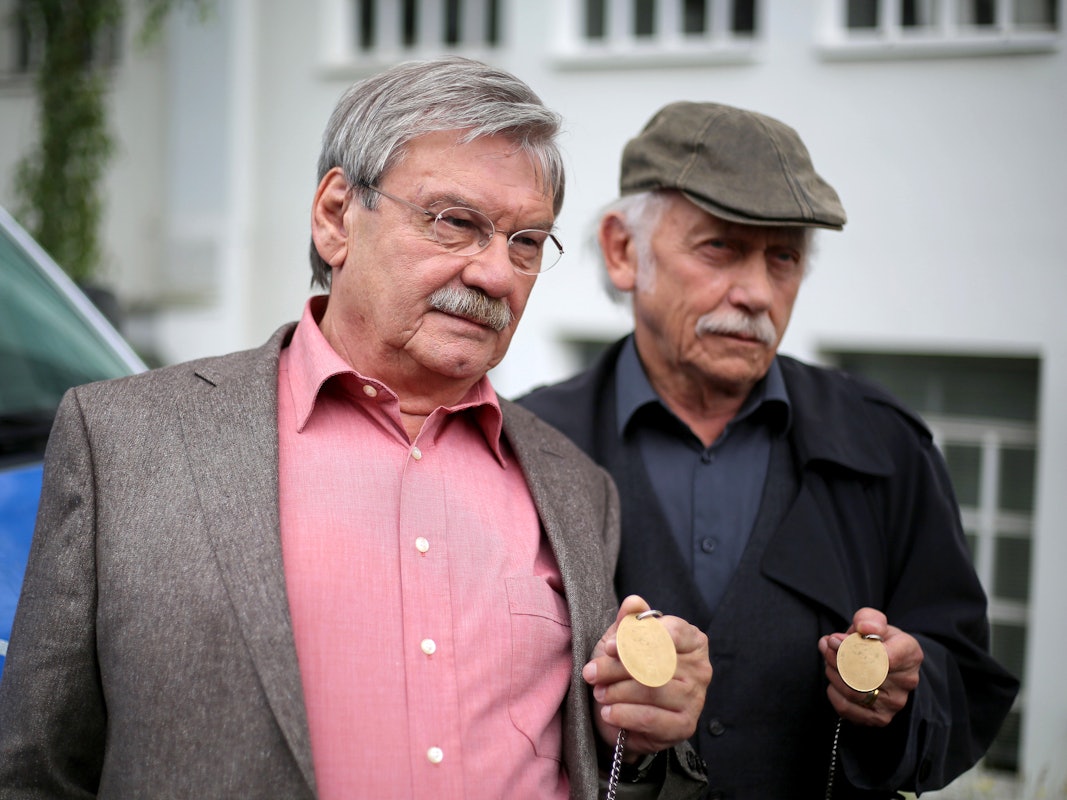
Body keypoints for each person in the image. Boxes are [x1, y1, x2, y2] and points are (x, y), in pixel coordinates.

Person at [0, 58, 713, 799]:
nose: (496, 275)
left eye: (525, 243)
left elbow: (607, 770)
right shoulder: (125, 439)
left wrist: (641, 732)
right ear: (336, 214)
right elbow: (36, 773)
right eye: (456, 223)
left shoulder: (574, 487)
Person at [518, 101, 1020, 798]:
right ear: (622, 250)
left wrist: (907, 690)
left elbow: (964, 677)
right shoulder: (530, 446)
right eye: (718, 247)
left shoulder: (881, 443)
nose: (755, 292)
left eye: (782, 258)